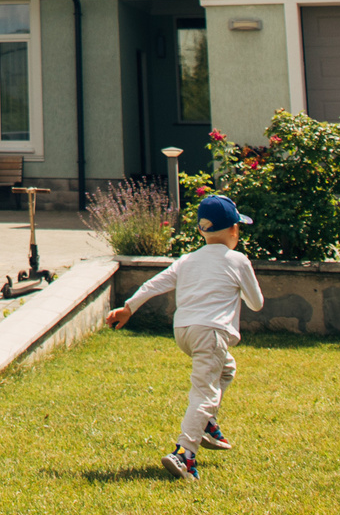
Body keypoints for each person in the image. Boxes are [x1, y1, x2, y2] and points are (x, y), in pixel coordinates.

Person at [103, 193, 263, 479]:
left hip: (184, 332)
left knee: (226, 369)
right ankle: (184, 453)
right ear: (234, 230)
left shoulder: (188, 259)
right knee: (205, 393)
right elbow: (257, 303)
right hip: (211, 332)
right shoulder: (238, 260)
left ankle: (208, 424)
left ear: (202, 230)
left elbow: (156, 283)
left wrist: (129, 308)